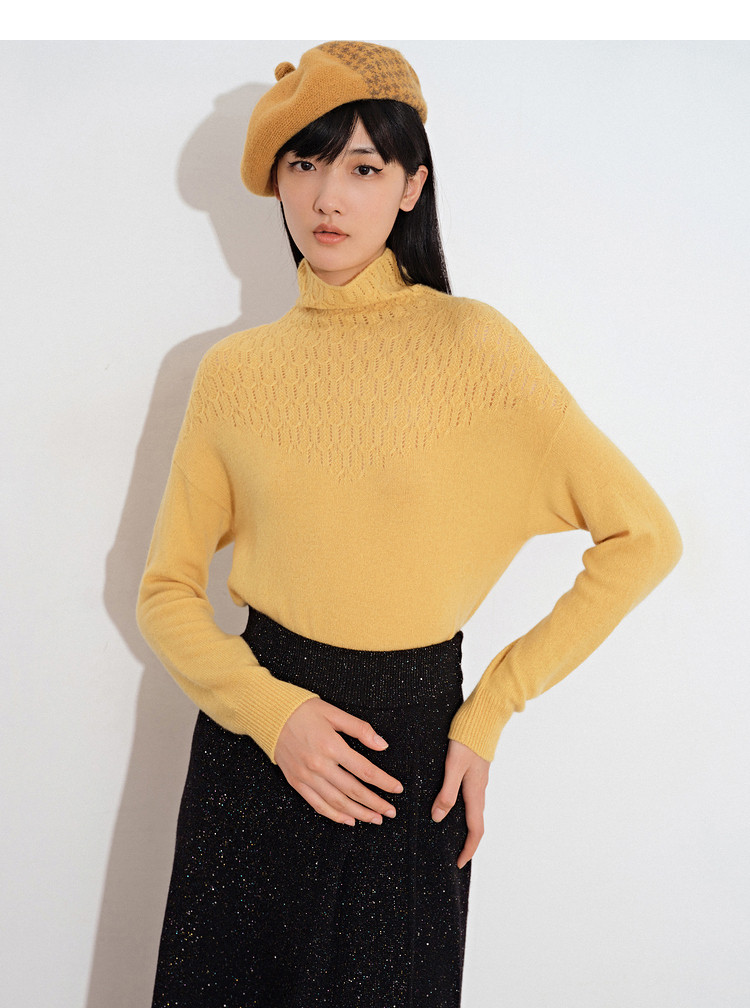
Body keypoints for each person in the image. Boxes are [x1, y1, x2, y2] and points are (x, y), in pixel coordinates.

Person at [137, 40, 682, 1008]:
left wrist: (492, 709)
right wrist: (274, 715)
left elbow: (645, 537)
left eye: (362, 168)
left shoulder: (476, 347)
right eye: (304, 165)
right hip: (255, 753)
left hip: (413, 765)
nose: (327, 198)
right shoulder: (234, 374)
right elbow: (166, 591)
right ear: (278, 183)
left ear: (411, 187)